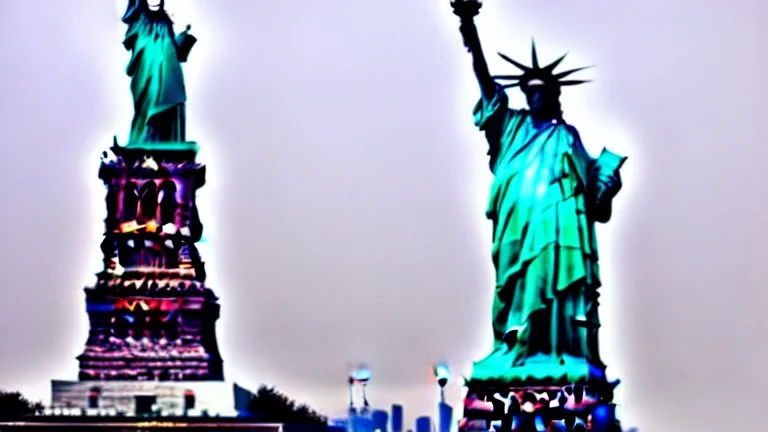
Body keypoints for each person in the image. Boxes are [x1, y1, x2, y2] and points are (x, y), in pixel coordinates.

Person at [450, 0, 627, 382]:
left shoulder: (565, 136)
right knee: (510, 288)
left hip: (557, 229)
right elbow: (484, 79)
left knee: (554, 287)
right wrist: (469, 28)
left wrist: (609, 187)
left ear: (553, 95)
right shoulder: (508, 126)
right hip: (515, 223)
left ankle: (554, 349)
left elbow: (594, 203)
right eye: (529, 90)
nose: (535, 96)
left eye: (542, 90)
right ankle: (512, 349)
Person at [121, 0, 197, 144]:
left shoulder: (166, 23)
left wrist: (184, 38)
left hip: (170, 74)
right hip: (146, 72)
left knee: (169, 100)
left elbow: (176, 51)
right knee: (149, 101)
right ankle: (143, 140)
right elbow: (133, 43)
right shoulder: (139, 22)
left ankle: (165, 142)